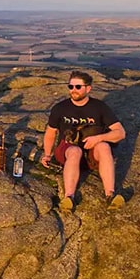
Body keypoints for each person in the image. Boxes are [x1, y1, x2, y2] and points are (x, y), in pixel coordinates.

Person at [40, 71, 126, 210]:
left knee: (104, 146)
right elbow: (51, 132)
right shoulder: (60, 108)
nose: (74, 90)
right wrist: (47, 154)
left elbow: (120, 133)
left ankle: (110, 194)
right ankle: (69, 198)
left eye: (78, 87)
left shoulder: (99, 107)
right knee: (74, 150)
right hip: (68, 150)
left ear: (88, 88)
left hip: (92, 153)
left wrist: (99, 138)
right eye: (71, 86)